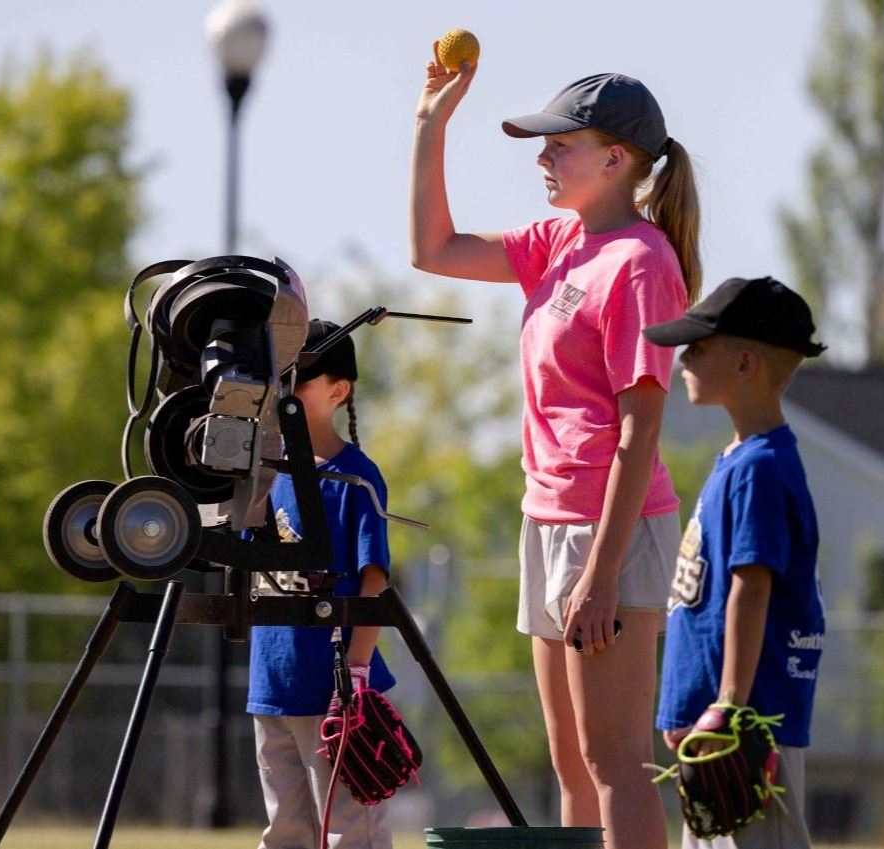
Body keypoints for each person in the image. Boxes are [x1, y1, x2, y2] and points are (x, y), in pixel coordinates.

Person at [411, 54, 701, 849]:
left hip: (610, 531)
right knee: (573, 764)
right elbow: (432, 249)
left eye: (558, 145)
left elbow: (640, 431)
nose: (542, 157)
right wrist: (431, 124)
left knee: (615, 763)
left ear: (615, 160)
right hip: (547, 520)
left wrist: (601, 573)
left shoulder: (640, 263)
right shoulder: (557, 241)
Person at [644, 276, 827, 849]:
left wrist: (727, 706)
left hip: (747, 731)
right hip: (718, 726)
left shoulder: (760, 468)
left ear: (746, 363)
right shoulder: (740, 460)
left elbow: (752, 587)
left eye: (698, 348)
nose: (684, 359)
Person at [246, 319, 395, 849]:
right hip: (273, 684)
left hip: (334, 687)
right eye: (282, 377)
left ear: (338, 389)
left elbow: (372, 583)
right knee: (285, 830)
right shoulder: (264, 472)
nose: (287, 389)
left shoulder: (355, 475)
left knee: (348, 830)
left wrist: (355, 677)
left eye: (302, 379)